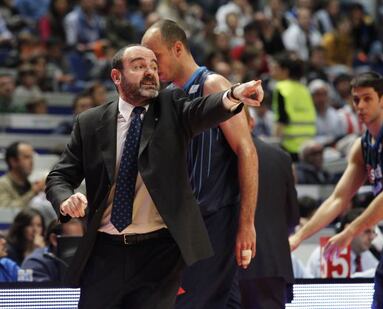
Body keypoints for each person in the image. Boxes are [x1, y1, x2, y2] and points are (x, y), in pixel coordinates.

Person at [45, 44, 263, 308]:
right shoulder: (90, 122)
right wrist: (66, 198)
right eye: (138, 66)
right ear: (117, 76)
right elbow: (59, 176)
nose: (149, 72)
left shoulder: (173, 107)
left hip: (160, 252)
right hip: (105, 252)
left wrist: (233, 94)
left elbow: (202, 111)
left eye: (153, 66)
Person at [141, 19, 258, 308]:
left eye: (156, 58)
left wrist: (246, 224)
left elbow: (247, 152)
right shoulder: (167, 98)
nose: (152, 68)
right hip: (185, 223)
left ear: (177, 48)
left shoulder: (213, 85)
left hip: (216, 217)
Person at [290, 71, 383, 308]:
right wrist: (298, 237)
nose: (360, 105)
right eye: (356, 99)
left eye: (368, 98)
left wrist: (349, 232)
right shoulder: (361, 145)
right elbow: (338, 198)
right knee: (378, 303)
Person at [234, 108, 299, 309]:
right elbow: (293, 217)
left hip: (229, 266)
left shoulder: (215, 157)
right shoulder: (281, 158)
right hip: (272, 264)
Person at [306, 208, 378, 278]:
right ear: (348, 230)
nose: (371, 237)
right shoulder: (326, 252)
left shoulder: (366, 255)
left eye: (373, 232)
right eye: (367, 231)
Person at [0, 141, 46, 210]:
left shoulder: (30, 184)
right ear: (13, 161)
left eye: (32, 157)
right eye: (27, 157)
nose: (32, 161)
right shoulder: (2, 184)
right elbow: (6, 210)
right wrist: (33, 192)